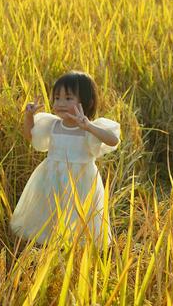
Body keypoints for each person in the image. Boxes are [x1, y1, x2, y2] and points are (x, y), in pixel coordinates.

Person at [10, 71, 120, 246]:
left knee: (79, 217)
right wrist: (29, 116)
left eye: (68, 98)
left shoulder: (90, 128)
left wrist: (88, 126)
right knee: (50, 213)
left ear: (87, 101)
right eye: (57, 98)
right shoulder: (51, 124)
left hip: (81, 181)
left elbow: (113, 140)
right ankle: (48, 248)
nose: (60, 103)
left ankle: (75, 252)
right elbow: (30, 136)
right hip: (51, 178)